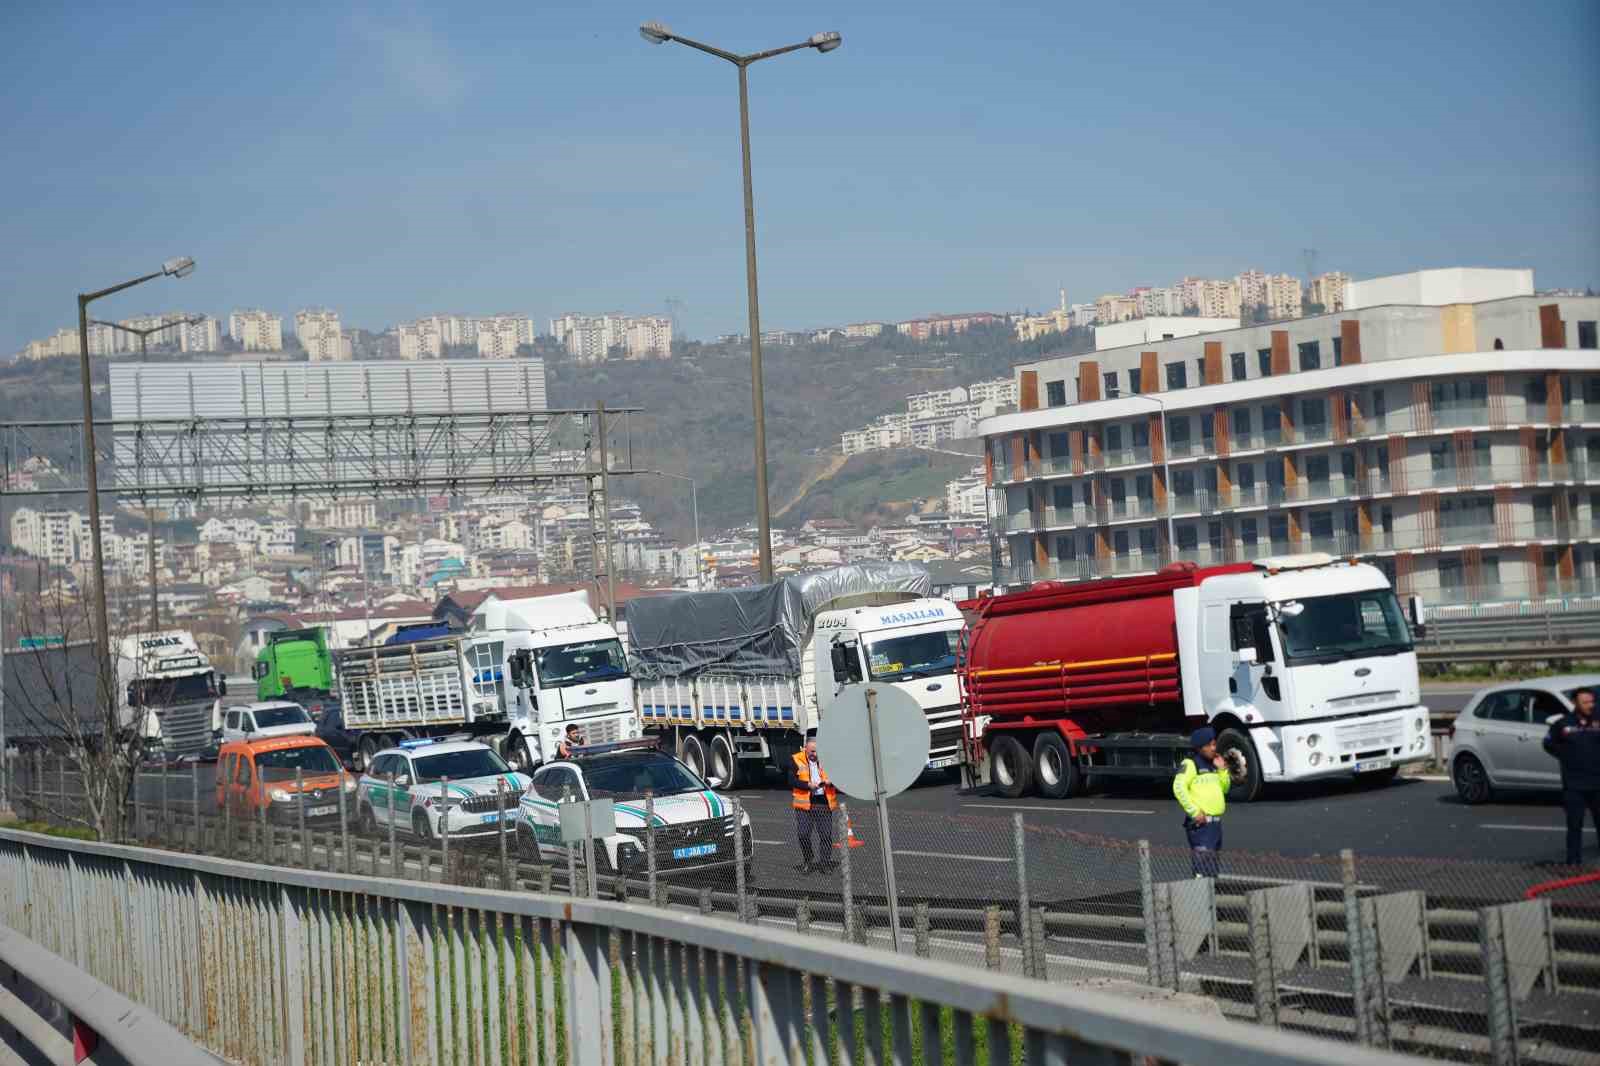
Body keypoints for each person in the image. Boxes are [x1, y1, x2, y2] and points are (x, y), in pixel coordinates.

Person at [1543, 687, 1600, 866]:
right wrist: (1567, 756)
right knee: (1575, 826)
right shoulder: (1563, 724)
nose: (1590, 705)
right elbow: (1548, 743)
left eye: (1592, 701)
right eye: (1586, 702)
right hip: (1574, 786)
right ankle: (1573, 863)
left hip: (1597, 784)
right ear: (1575, 703)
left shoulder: (1598, 722)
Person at [1173, 726, 1231, 878]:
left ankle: (1211, 899)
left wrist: (1222, 771)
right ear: (1200, 747)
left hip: (1215, 824)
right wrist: (1194, 812)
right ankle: (1201, 898)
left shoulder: (1214, 764)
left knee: (1212, 869)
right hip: (1201, 825)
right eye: (1210, 745)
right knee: (1202, 869)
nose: (1214, 748)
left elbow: (1224, 789)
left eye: (1215, 744)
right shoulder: (1191, 764)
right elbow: (1178, 787)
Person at [789, 728, 837, 873]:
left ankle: (825, 863)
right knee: (803, 835)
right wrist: (807, 785)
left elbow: (841, 779)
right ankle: (808, 860)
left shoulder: (829, 759)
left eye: (817, 752)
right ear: (805, 749)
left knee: (826, 835)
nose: (814, 755)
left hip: (823, 801)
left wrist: (831, 781)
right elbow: (790, 780)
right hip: (804, 803)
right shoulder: (796, 759)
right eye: (811, 752)